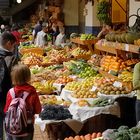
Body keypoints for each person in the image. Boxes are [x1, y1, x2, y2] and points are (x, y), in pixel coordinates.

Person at [4, 64, 42, 140]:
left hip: (12, 126)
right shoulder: (31, 91)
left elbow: (6, 110)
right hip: (27, 125)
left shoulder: (10, 92)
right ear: (28, 76)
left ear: (13, 77)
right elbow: (38, 110)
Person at [0, 32, 17, 140]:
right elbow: (15, 78)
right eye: (14, 45)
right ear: (9, 43)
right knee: (8, 119)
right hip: (6, 94)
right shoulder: (11, 58)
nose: (14, 48)